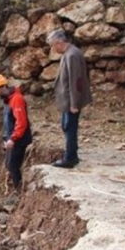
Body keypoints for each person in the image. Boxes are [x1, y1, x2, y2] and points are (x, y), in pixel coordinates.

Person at [47, 28, 92, 168]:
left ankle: (70, 158)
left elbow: (75, 82)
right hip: (68, 100)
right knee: (67, 127)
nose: (53, 49)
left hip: (71, 101)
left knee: (69, 127)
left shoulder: (72, 55)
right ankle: (72, 153)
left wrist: (74, 103)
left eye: (53, 46)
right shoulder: (69, 53)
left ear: (59, 42)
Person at [0, 74, 32, 192]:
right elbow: (8, 122)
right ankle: (16, 188)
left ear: (3, 87)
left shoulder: (17, 99)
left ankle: (19, 191)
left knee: (13, 165)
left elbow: (21, 122)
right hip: (12, 139)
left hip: (19, 139)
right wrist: (6, 138)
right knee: (9, 164)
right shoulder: (8, 100)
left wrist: (13, 138)